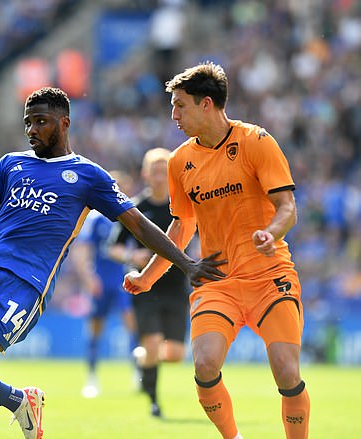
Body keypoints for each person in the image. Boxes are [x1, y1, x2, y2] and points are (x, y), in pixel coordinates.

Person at [0, 86, 225, 439]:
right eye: (28, 123)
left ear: (64, 122)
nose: (32, 130)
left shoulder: (88, 176)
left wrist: (185, 263)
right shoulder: (9, 164)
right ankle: (19, 400)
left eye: (41, 121)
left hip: (26, 287)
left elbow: (139, 225)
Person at [124, 62, 310, 439]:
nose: (173, 115)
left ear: (206, 104)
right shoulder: (179, 162)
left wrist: (271, 233)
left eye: (180, 106)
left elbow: (287, 207)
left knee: (287, 372)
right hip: (217, 281)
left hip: (269, 277)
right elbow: (181, 227)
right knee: (205, 365)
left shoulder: (256, 142)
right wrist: (147, 278)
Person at [109, 147, 190, 418]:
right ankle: (154, 403)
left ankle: (142, 357)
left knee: (177, 353)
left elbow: (194, 240)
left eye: (163, 170)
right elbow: (113, 248)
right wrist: (133, 255)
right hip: (145, 286)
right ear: (145, 173)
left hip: (176, 286)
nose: (158, 176)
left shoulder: (183, 208)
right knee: (154, 343)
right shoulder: (135, 209)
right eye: (154, 170)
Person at [70, 169, 137, 399]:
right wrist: (88, 278)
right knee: (96, 329)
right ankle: (91, 377)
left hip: (123, 280)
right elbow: (82, 250)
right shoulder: (97, 219)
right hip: (101, 280)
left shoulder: (129, 216)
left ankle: (137, 374)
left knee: (132, 325)